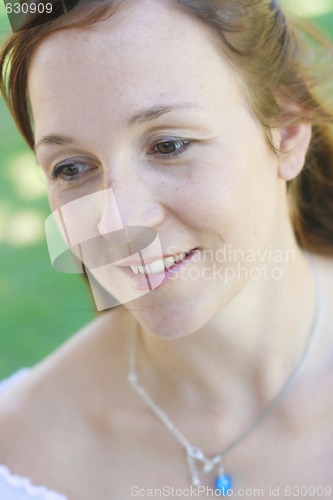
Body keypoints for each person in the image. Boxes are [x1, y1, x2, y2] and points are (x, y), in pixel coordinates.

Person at [0, 0, 333, 498]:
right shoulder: (19, 454)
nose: (121, 222)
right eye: (71, 168)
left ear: (286, 132)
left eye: (169, 145)